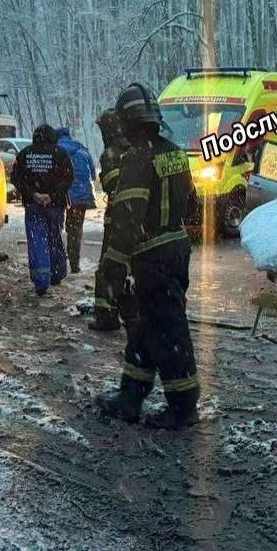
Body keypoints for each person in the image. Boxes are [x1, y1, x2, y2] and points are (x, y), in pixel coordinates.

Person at [95, 83, 200, 429]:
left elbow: (127, 219)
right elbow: (194, 205)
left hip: (150, 257)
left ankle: (182, 406)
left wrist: (112, 265)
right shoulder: (175, 152)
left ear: (127, 121)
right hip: (174, 248)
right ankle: (131, 396)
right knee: (143, 328)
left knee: (168, 331)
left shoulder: (138, 159)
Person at [15, 124, 74, 295]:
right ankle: (57, 273)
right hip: (55, 206)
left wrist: (34, 194)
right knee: (54, 237)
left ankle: (41, 281)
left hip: (33, 205)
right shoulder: (60, 153)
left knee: (37, 240)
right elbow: (69, 178)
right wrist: (52, 196)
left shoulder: (25, 153)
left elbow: (16, 178)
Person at [89, 109, 134, 332]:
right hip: (139, 220)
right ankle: (130, 311)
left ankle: (106, 315)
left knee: (108, 268)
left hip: (116, 220)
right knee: (131, 267)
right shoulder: (136, 149)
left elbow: (111, 185)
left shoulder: (110, 155)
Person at [56, 126, 97, 273]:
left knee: (57, 226)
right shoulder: (82, 149)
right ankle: (75, 263)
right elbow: (93, 175)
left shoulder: (56, 149)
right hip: (82, 195)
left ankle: (58, 263)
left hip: (62, 195)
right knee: (76, 229)